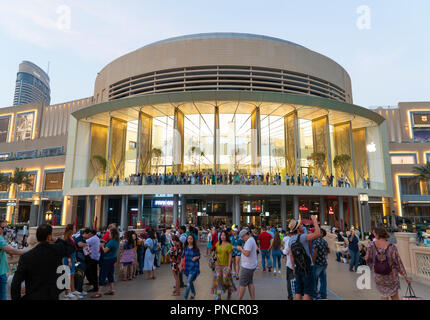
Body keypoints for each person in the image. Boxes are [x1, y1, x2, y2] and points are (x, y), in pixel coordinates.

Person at [11, 224, 75, 300]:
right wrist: (57, 239)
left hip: (33, 296)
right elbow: (71, 247)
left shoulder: (26, 256)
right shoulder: (57, 249)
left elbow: (16, 282)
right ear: (49, 237)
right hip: (52, 295)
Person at [365, 227, 411, 300]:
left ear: (377, 235)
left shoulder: (371, 246)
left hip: (379, 276)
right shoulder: (392, 246)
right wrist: (405, 277)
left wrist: (373, 267)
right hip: (392, 276)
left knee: (384, 295)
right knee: (395, 295)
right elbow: (398, 263)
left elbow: (367, 259)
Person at [288, 215, 321, 300]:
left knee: (298, 291)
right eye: (301, 225)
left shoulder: (290, 240)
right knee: (307, 291)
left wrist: (294, 268)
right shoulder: (302, 237)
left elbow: (291, 255)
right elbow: (318, 233)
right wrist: (314, 220)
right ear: (298, 228)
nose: (302, 226)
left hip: (297, 267)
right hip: (307, 266)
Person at [91, 228, 120, 298]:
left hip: (107, 260)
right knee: (110, 274)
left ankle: (99, 292)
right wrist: (105, 242)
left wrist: (102, 245)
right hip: (112, 259)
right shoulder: (116, 241)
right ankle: (112, 289)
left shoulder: (111, 241)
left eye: (109, 233)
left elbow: (105, 251)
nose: (108, 235)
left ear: (112, 234)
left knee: (102, 275)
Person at [0, 220, 25, 300]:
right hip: (1, 272)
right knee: (3, 296)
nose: (4, 230)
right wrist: (26, 252)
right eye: (3, 227)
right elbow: (11, 250)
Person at [212, 230, 236, 300]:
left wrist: (229, 267)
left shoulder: (229, 245)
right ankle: (219, 297)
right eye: (221, 235)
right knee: (218, 281)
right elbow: (216, 252)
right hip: (218, 266)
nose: (222, 236)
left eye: (224, 235)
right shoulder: (217, 244)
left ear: (226, 236)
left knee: (227, 281)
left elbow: (230, 257)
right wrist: (215, 256)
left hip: (226, 266)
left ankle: (229, 294)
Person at [236, 229, 257, 300]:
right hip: (251, 265)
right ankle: (252, 298)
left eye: (242, 237)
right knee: (249, 283)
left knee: (242, 284)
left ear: (245, 235)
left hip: (247, 266)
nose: (242, 239)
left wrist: (240, 249)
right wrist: (243, 248)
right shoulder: (251, 240)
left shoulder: (249, 241)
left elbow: (247, 254)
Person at [63, 224, 80, 300]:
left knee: (72, 274)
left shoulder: (72, 237)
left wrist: (75, 257)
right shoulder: (67, 239)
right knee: (68, 275)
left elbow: (73, 249)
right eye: (74, 228)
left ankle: (73, 290)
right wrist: (69, 261)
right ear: (70, 230)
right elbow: (67, 251)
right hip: (68, 258)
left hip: (72, 257)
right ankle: (67, 292)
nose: (75, 229)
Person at [312, 228, 329, 300]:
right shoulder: (325, 242)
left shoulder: (316, 241)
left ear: (321, 234)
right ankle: (323, 294)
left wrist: (313, 261)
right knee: (323, 280)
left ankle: (314, 294)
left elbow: (315, 252)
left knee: (315, 279)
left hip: (317, 263)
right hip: (324, 263)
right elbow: (328, 251)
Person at [182, 234, 201, 300]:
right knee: (190, 282)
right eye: (188, 239)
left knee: (188, 283)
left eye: (191, 239)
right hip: (187, 267)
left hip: (194, 267)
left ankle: (185, 298)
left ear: (193, 240)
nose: (189, 240)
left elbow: (199, 256)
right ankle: (193, 292)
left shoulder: (196, 248)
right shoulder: (185, 247)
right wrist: (181, 266)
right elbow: (182, 256)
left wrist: (196, 257)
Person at [282, 230, 294, 300]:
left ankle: (290, 296)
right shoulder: (301, 238)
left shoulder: (289, 240)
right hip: (300, 265)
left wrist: (282, 250)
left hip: (290, 264)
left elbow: (286, 252)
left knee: (289, 281)